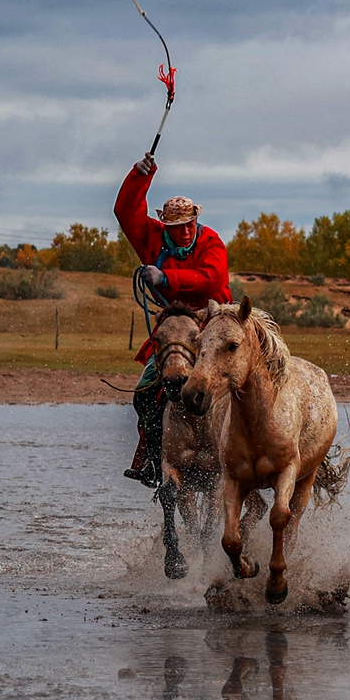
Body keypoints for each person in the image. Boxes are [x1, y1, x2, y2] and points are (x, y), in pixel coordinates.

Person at [113, 154, 231, 485]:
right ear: (166, 226)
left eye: (190, 225)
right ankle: (153, 459)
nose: (186, 232)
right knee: (145, 393)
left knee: (249, 377)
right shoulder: (151, 237)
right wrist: (139, 176)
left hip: (214, 323)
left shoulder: (211, 241)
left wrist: (165, 277)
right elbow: (125, 212)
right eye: (178, 227)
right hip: (174, 331)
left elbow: (210, 279)